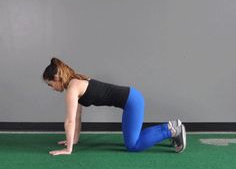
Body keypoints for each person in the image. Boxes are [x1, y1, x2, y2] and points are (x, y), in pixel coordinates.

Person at [42, 58, 186, 156]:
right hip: (131, 99)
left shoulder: (73, 87)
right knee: (132, 141)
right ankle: (171, 129)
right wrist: (73, 140)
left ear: (57, 78)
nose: (52, 88)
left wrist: (68, 150)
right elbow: (77, 117)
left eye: (50, 84)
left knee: (133, 146)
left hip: (132, 101)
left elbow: (70, 121)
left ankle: (172, 129)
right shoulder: (75, 83)